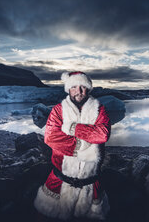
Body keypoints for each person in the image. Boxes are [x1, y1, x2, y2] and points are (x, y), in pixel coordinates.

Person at [34, 71, 111, 221]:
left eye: (83, 87)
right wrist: (84, 145)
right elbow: (51, 137)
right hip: (60, 180)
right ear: (68, 89)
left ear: (88, 89)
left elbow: (102, 134)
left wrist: (72, 128)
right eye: (74, 86)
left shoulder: (99, 109)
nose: (79, 91)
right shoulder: (58, 110)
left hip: (90, 183)